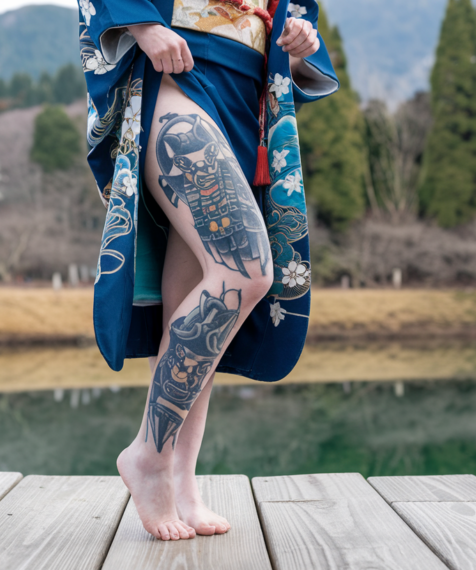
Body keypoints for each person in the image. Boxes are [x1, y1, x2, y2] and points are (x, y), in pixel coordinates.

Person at [79, 0, 339, 541]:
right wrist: (143, 24)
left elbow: (291, 15)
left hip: (245, 94)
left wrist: (299, 40)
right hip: (175, 71)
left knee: (196, 297)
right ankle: (148, 458)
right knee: (245, 272)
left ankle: (180, 479)